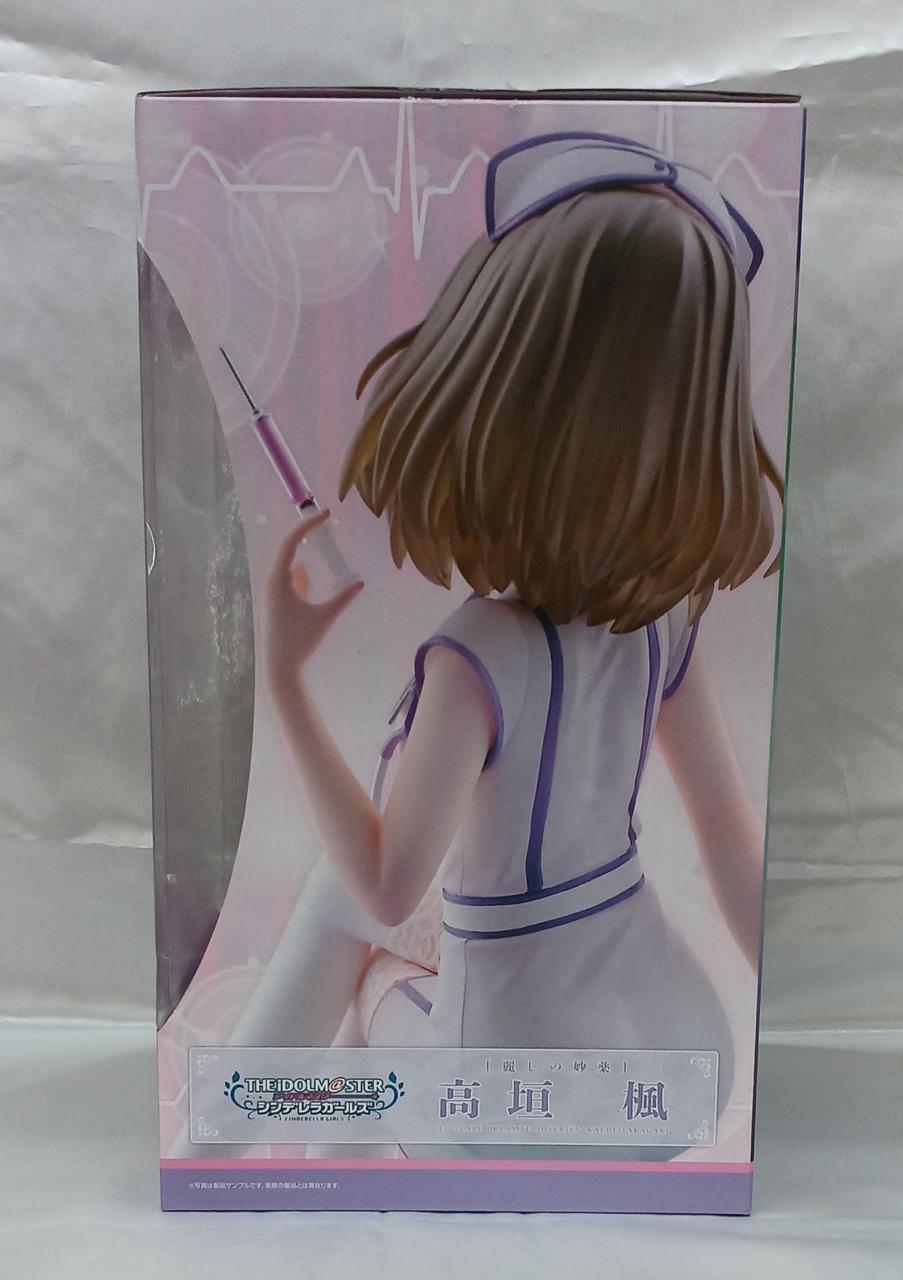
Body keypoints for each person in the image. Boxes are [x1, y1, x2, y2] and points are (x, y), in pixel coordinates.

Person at [262, 135, 782, 1152]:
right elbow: (733, 847)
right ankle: (267, 1140)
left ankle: (276, 1139)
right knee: (394, 932)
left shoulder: (473, 656)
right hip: (678, 1070)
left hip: (503, 1104)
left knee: (365, 959)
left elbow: (385, 885)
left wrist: (284, 679)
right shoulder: (663, 624)